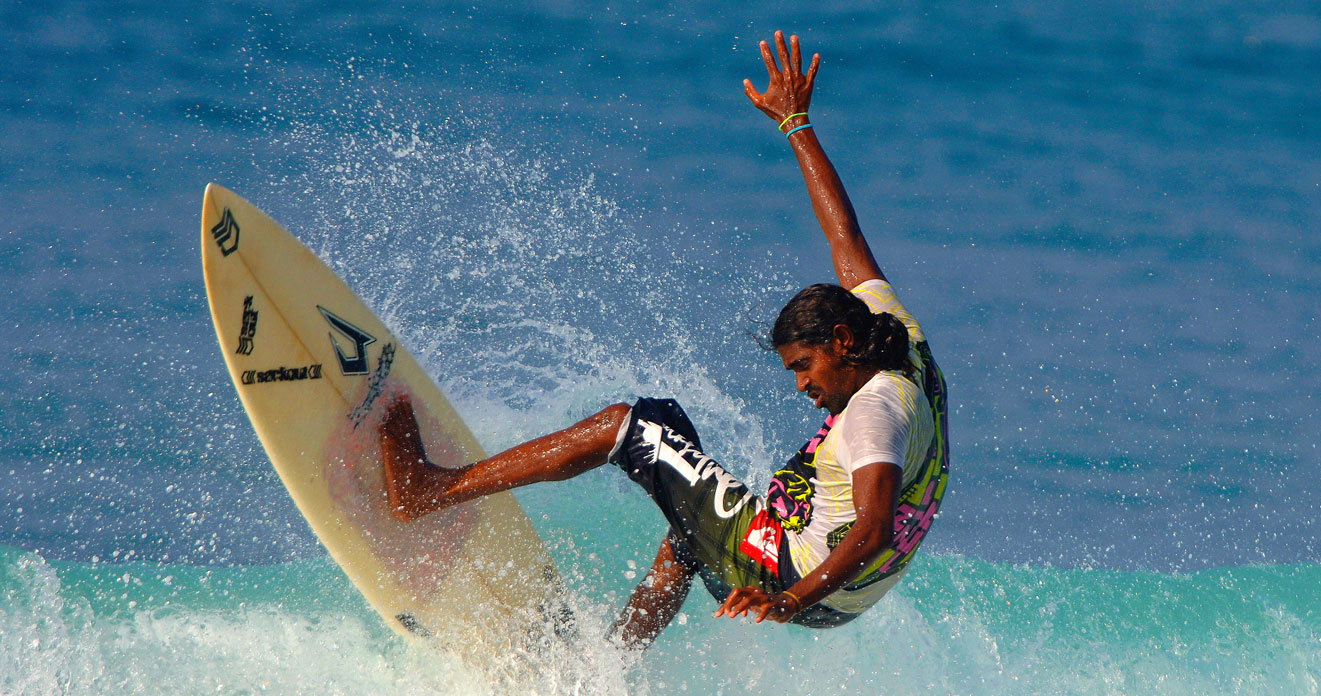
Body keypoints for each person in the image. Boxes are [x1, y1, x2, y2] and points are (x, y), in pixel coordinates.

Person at [379, 31, 949, 650]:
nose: (803, 385)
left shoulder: (874, 411)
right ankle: (612, 659)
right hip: (836, 589)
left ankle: (429, 490)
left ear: (843, 342)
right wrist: (795, 123)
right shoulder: (898, 337)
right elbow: (846, 238)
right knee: (678, 465)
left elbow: (873, 531)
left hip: (797, 572)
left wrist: (788, 598)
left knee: (631, 426)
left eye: (805, 366)